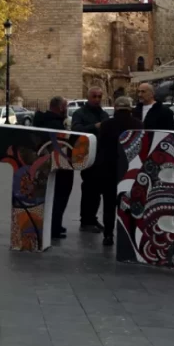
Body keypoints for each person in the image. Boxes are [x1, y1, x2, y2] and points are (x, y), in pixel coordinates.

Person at [96, 96, 143, 247]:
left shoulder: (106, 125)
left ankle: (108, 235)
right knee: (129, 202)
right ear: (130, 108)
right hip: (130, 169)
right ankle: (129, 236)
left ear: (115, 108)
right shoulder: (138, 124)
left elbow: (101, 148)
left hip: (109, 169)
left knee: (109, 204)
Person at [71, 86, 110, 232]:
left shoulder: (104, 114)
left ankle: (92, 218)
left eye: (100, 96)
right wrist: (94, 127)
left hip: (102, 157)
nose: (97, 99)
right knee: (89, 189)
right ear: (88, 97)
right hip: (87, 157)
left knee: (98, 190)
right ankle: (86, 220)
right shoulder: (80, 113)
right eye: (94, 96)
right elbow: (76, 130)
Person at [34, 96, 72, 239]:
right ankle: (54, 226)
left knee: (48, 194)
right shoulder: (56, 124)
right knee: (60, 196)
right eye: (66, 106)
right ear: (61, 108)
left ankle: (51, 224)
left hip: (42, 162)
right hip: (58, 163)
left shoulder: (40, 120)